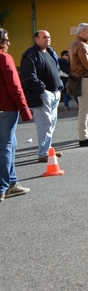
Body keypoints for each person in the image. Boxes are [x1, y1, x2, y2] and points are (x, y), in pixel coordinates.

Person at [20, 30, 64, 163]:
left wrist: (59, 86)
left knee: (51, 124)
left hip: (55, 93)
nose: (47, 39)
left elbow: (56, 70)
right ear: (36, 39)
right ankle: (43, 153)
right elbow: (28, 77)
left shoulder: (50, 52)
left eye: (49, 37)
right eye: (44, 37)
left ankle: (48, 149)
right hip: (42, 95)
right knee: (44, 124)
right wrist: (42, 89)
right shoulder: (31, 55)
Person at [0, 28, 33, 202]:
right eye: (5, 40)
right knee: (6, 146)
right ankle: (3, 187)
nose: (8, 43)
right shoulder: (4, 58)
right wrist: (24, 108)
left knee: (10, 144)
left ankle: (12, 183)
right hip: (6, 108)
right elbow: (15, 86)